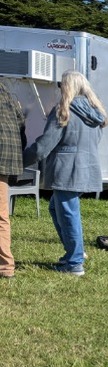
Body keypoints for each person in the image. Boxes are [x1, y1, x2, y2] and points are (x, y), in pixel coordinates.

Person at [23, 70, 108, 276]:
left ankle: (74, 262)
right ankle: (75, 252)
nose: (59, 88)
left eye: (61, 85)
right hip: (88, 169)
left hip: (67, 171)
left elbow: (44, 146)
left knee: (68, 214)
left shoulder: (64, 110)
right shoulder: (95, 112)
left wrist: (21, 160)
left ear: (67, 87)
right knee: (57, 208)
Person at [0, 81, 27, 279]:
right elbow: (21, 128)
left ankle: (6, 265)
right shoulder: (9, 96)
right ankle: (6, 266)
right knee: (1, 216)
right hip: (7, 160)